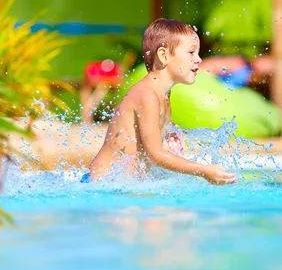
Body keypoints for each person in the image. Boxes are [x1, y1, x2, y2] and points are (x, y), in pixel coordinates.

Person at [83, 19, 236, 185]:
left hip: (121, 186)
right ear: (164, 56)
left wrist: (172, 133)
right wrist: (204, 170)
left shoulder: (164, 94)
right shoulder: (147, 95)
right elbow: (155, 155)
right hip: (101, 185)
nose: (199, 59)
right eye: (191, 53)